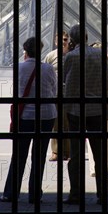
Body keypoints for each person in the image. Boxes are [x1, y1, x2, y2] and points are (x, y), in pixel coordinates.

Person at [0, 37, 57, 204]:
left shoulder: (18, 68)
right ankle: (34, 193)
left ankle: (10, 192)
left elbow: (17, 90)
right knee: (38, 156)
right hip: (46, 116)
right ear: (40, 51)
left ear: (25, 51)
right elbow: (53, 91)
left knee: (19, 155)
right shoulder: (47, 69)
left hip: (25, 117)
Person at [63, 25, 108, 205]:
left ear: (73, 40)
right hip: (97, 109)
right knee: (99, 154)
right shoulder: (99, 54)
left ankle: (76, 192)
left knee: (75, 154)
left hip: (75, 109)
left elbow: (65, 81)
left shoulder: (70, 57)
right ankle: (103, 192)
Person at [87, 42, 108, 178]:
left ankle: (94, 168)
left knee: (92, 139)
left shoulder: (87, 65)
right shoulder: (106, 65)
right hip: (105, 107)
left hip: (90, 106)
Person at [44, 30, 70, 161]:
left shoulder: (72, 55)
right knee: (55, 124)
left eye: (65, 40)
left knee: (68, 123)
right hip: (54, 93)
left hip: (69, 94)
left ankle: (67, 151)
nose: (63, 42)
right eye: (60, 40)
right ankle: (55, 151)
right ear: (55, 42)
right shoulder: (50, 56)